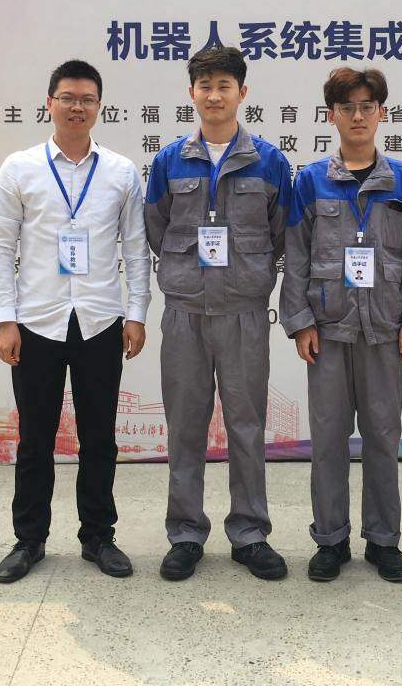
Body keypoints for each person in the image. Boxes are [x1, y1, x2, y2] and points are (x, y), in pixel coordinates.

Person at [0, 59, 151, 583]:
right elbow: (0, 245)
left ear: (99, 107)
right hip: (37, 322)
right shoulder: (20, 168)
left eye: (87, 99)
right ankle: (29, 539)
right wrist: (5, 319)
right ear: (49, 103)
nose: (77, 107)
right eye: (67, 98)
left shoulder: (121, 171)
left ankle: (98, 537)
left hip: (100, 321)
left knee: (99, 438)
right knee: (35, 439)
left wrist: (136, 314)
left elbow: (136, 247)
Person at [280, 67, 402, 583]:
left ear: (381, 113)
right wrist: (300, 321)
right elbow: (295, 255)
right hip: (327, 332)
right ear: (331, 116)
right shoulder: (310, 181)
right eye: (347, 107)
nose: (357, 116)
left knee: (382, 437)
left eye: (367, 106)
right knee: (327, 439)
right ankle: (330, 540)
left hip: (384, 331)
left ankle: (384, 540)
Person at [144, 45, 294, 581]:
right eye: (204, 85)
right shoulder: (168, 161)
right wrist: (188, 275)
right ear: (191, 93)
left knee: (246, 426)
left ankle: (250, 534)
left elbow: (282, 235)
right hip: (185, 313)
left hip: (244, 315)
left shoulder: (269, 162)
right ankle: (186, 533)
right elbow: (156, 228)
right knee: (184, 426)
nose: (214, 95)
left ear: (242, 93)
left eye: (224, 85)